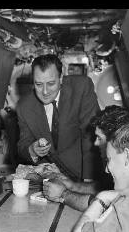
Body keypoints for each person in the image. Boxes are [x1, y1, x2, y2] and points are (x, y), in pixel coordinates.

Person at [16, 54, 100, 182]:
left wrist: (89, 181)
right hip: (52, 178)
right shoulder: (24, 106)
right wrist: (32, 150)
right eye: (38, 84)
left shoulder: (82, 87)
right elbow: (23, 143)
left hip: (85, 172)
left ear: (61, 78)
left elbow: (91, 136)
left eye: (50, 83)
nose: (45, 91)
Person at [42, 105, 129, 211]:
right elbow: (104, 188)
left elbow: (106, 206)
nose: (95, 143)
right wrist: (72, 185)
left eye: (99, 138)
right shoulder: (122, 160)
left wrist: (64, 194)